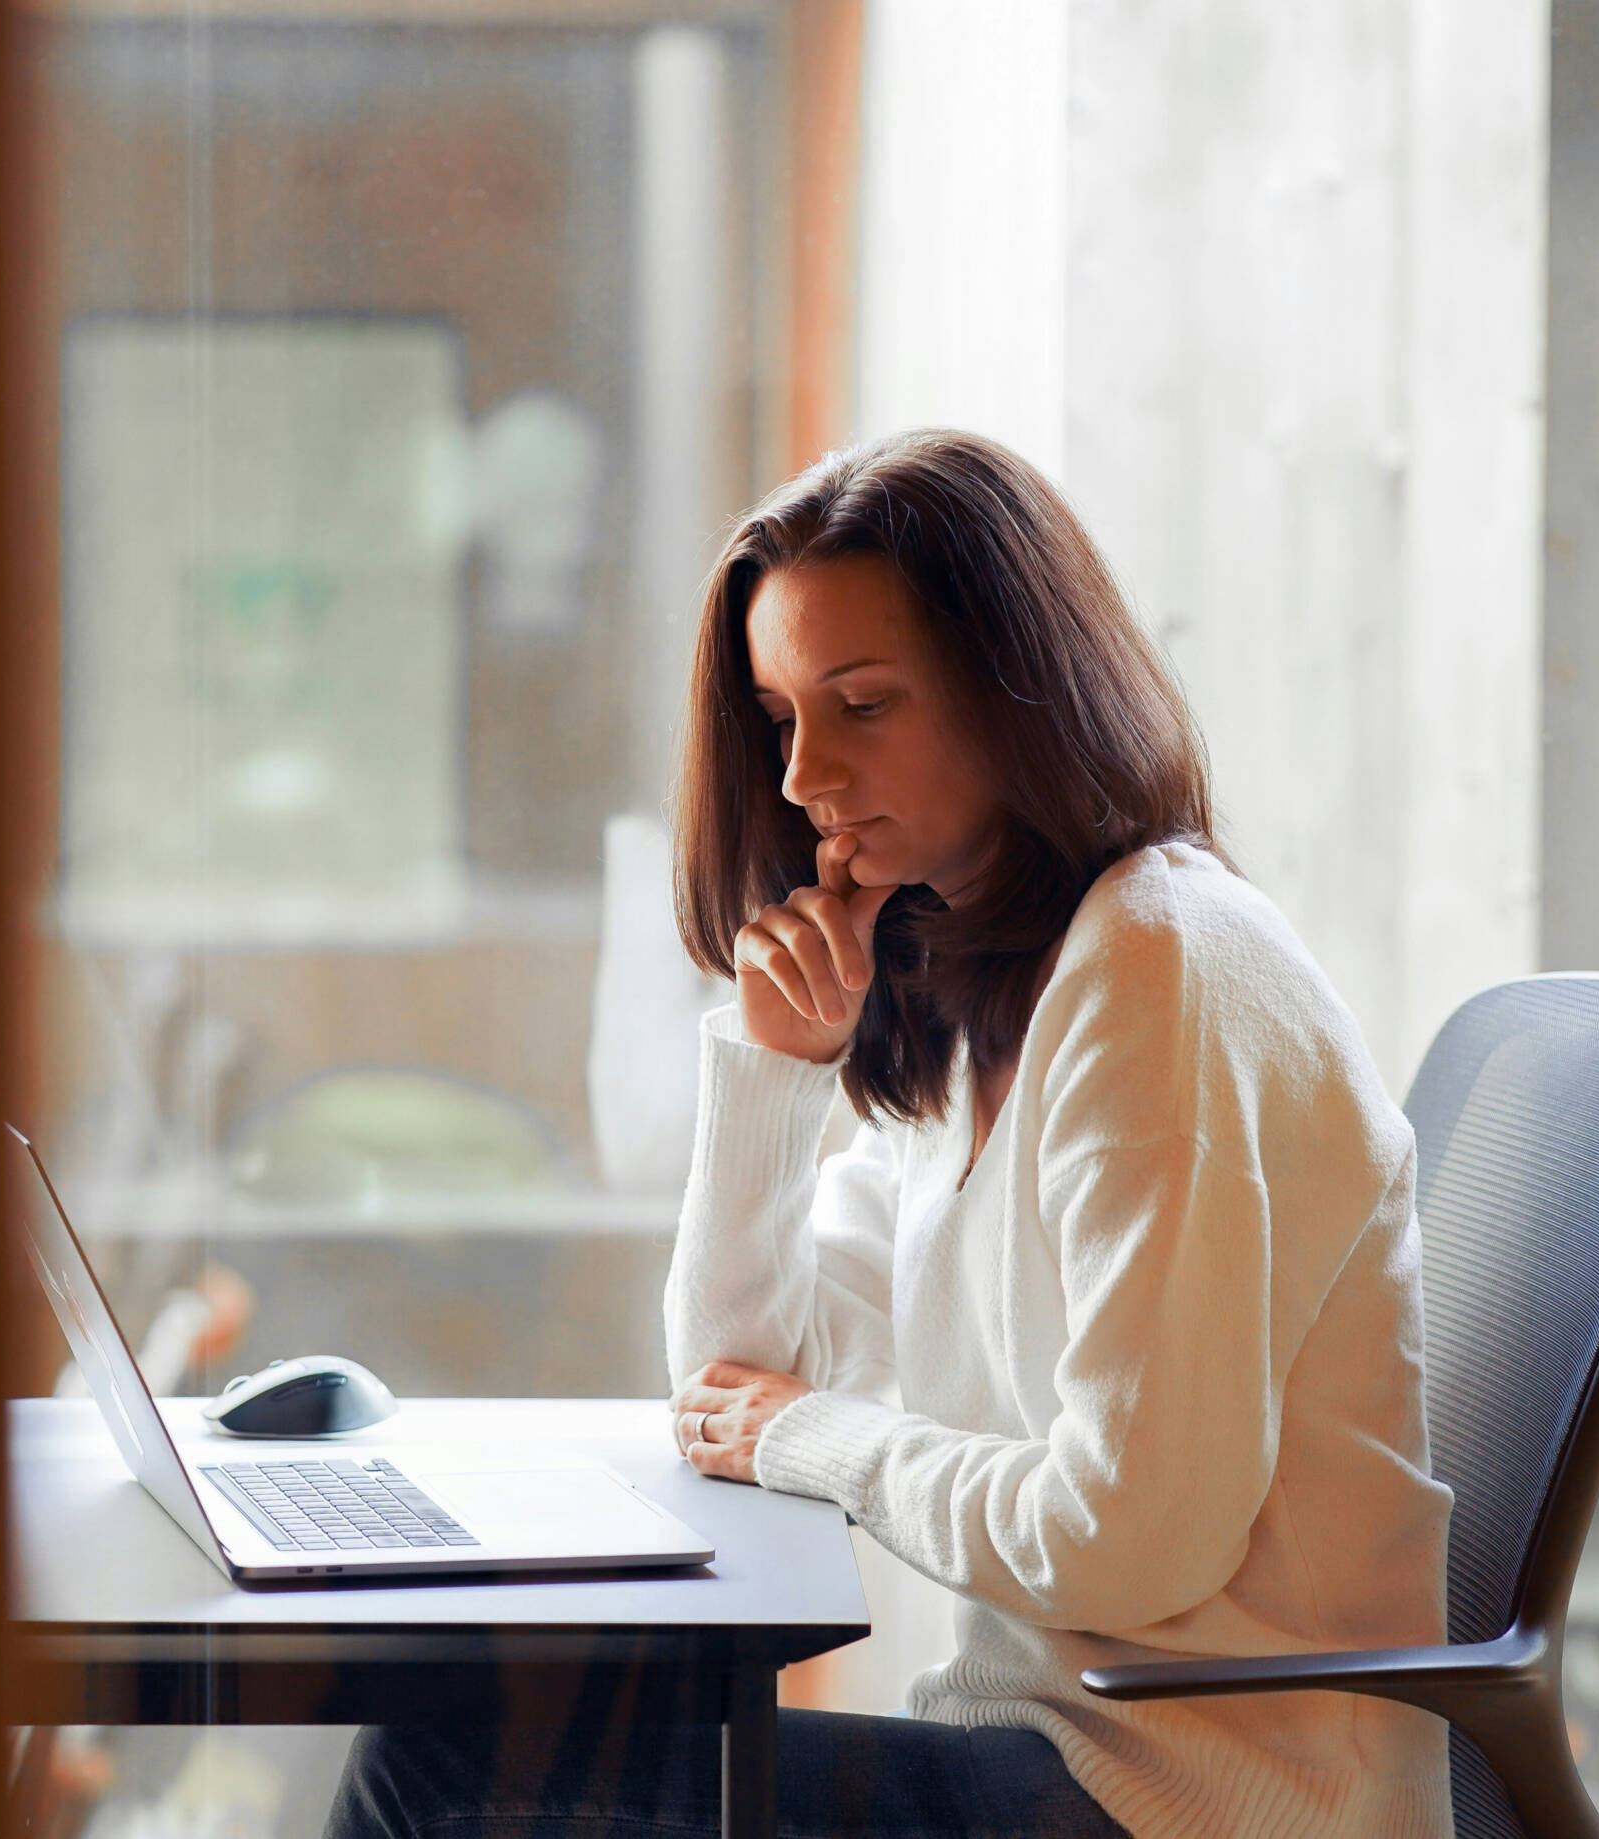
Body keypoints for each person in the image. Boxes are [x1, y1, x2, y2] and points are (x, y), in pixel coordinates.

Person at [330, 430, 1456, 1838]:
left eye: (862, 705)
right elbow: (730, 1386)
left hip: (1205, 1803)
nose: (804, 775)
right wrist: (774, 1067)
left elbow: (1127, 1540)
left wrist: (816, 1437)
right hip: (1058, 1755)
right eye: (781, 713)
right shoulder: (978, 989)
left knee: (444, 1767)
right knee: (460, 1746)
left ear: (1016, 699)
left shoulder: (1160, 974)